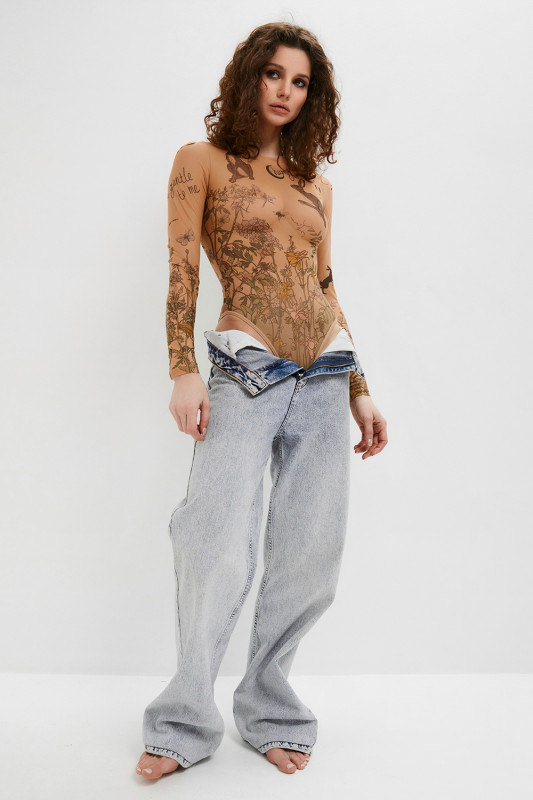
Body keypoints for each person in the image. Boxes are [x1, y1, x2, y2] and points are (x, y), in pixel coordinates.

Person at [136, 21, 388, 780]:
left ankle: (270, 709)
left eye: (300, 81)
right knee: (212, 542)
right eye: (273, 74)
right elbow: (182, 270)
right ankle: (183, 722)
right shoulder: (201, 160)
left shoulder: (317, 186)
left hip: (324, 376)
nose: (285, 90)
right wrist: (182, 369)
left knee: (310, 555)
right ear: (248, 77)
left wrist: (361, 389)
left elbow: (325, 286)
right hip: (245, 372)